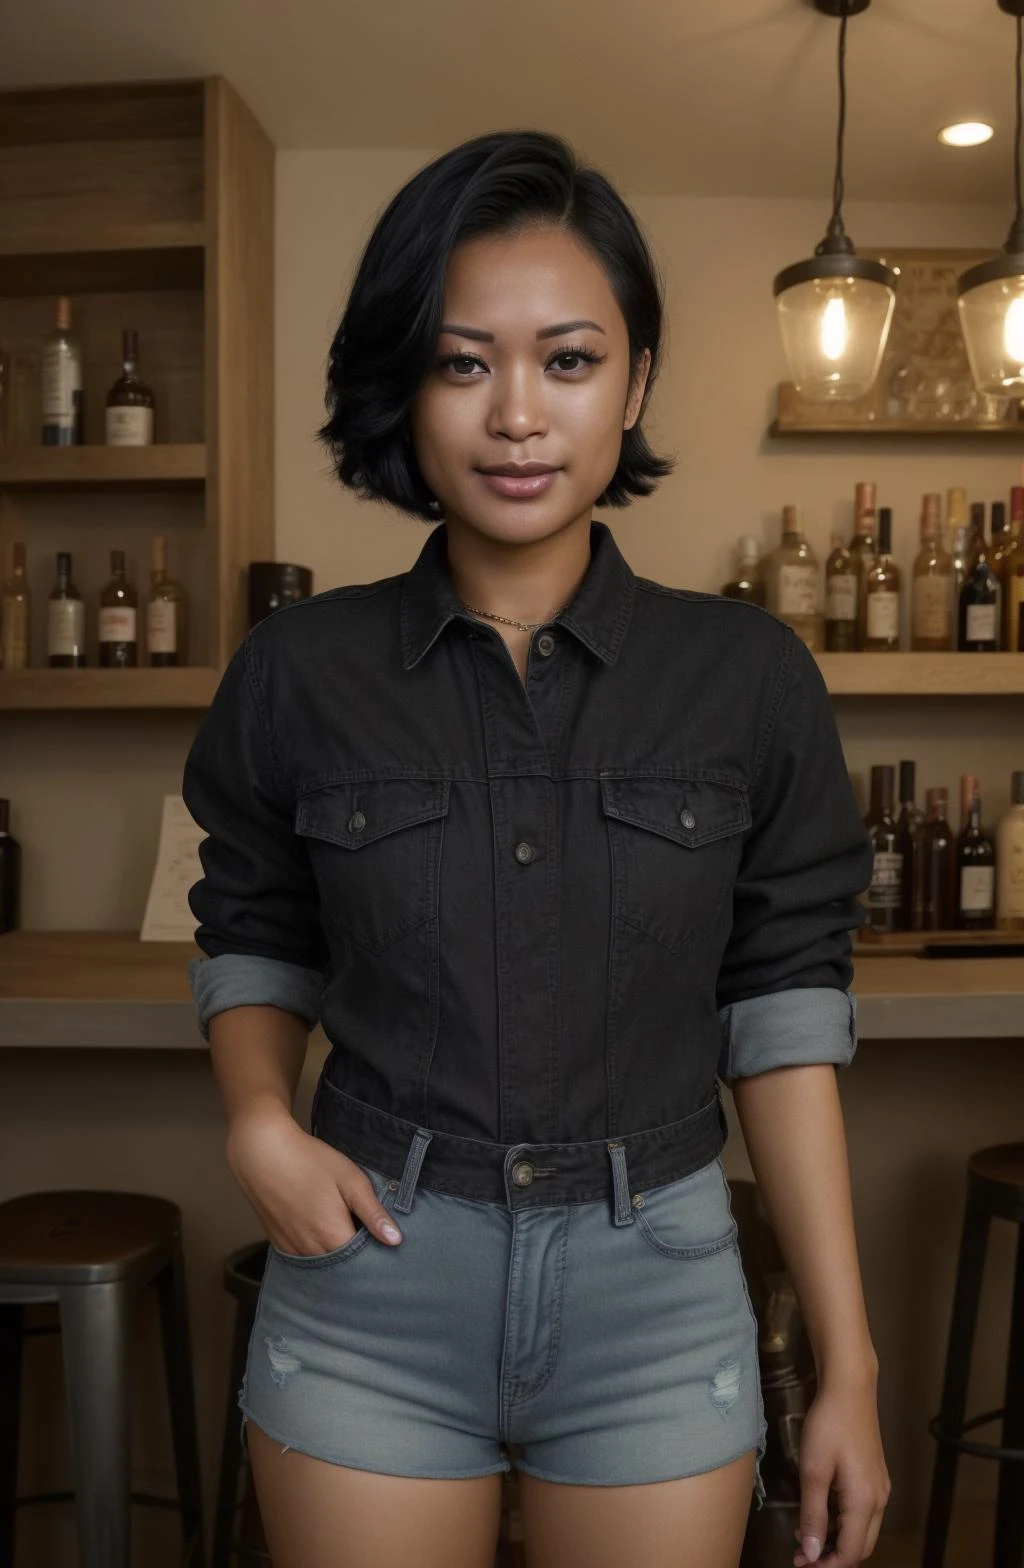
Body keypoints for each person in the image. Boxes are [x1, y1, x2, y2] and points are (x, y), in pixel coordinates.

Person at [182, 129, 890, 1568]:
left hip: (661, 1291)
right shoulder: (298, 670)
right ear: (408, 385)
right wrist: (260, 1120)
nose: (517, 414)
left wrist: (850, 1365)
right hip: (370, 1281)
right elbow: (253, 926)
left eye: (568, 360)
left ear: (633, 383)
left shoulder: (748, 678)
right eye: (462, 363)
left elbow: (783, 1020)